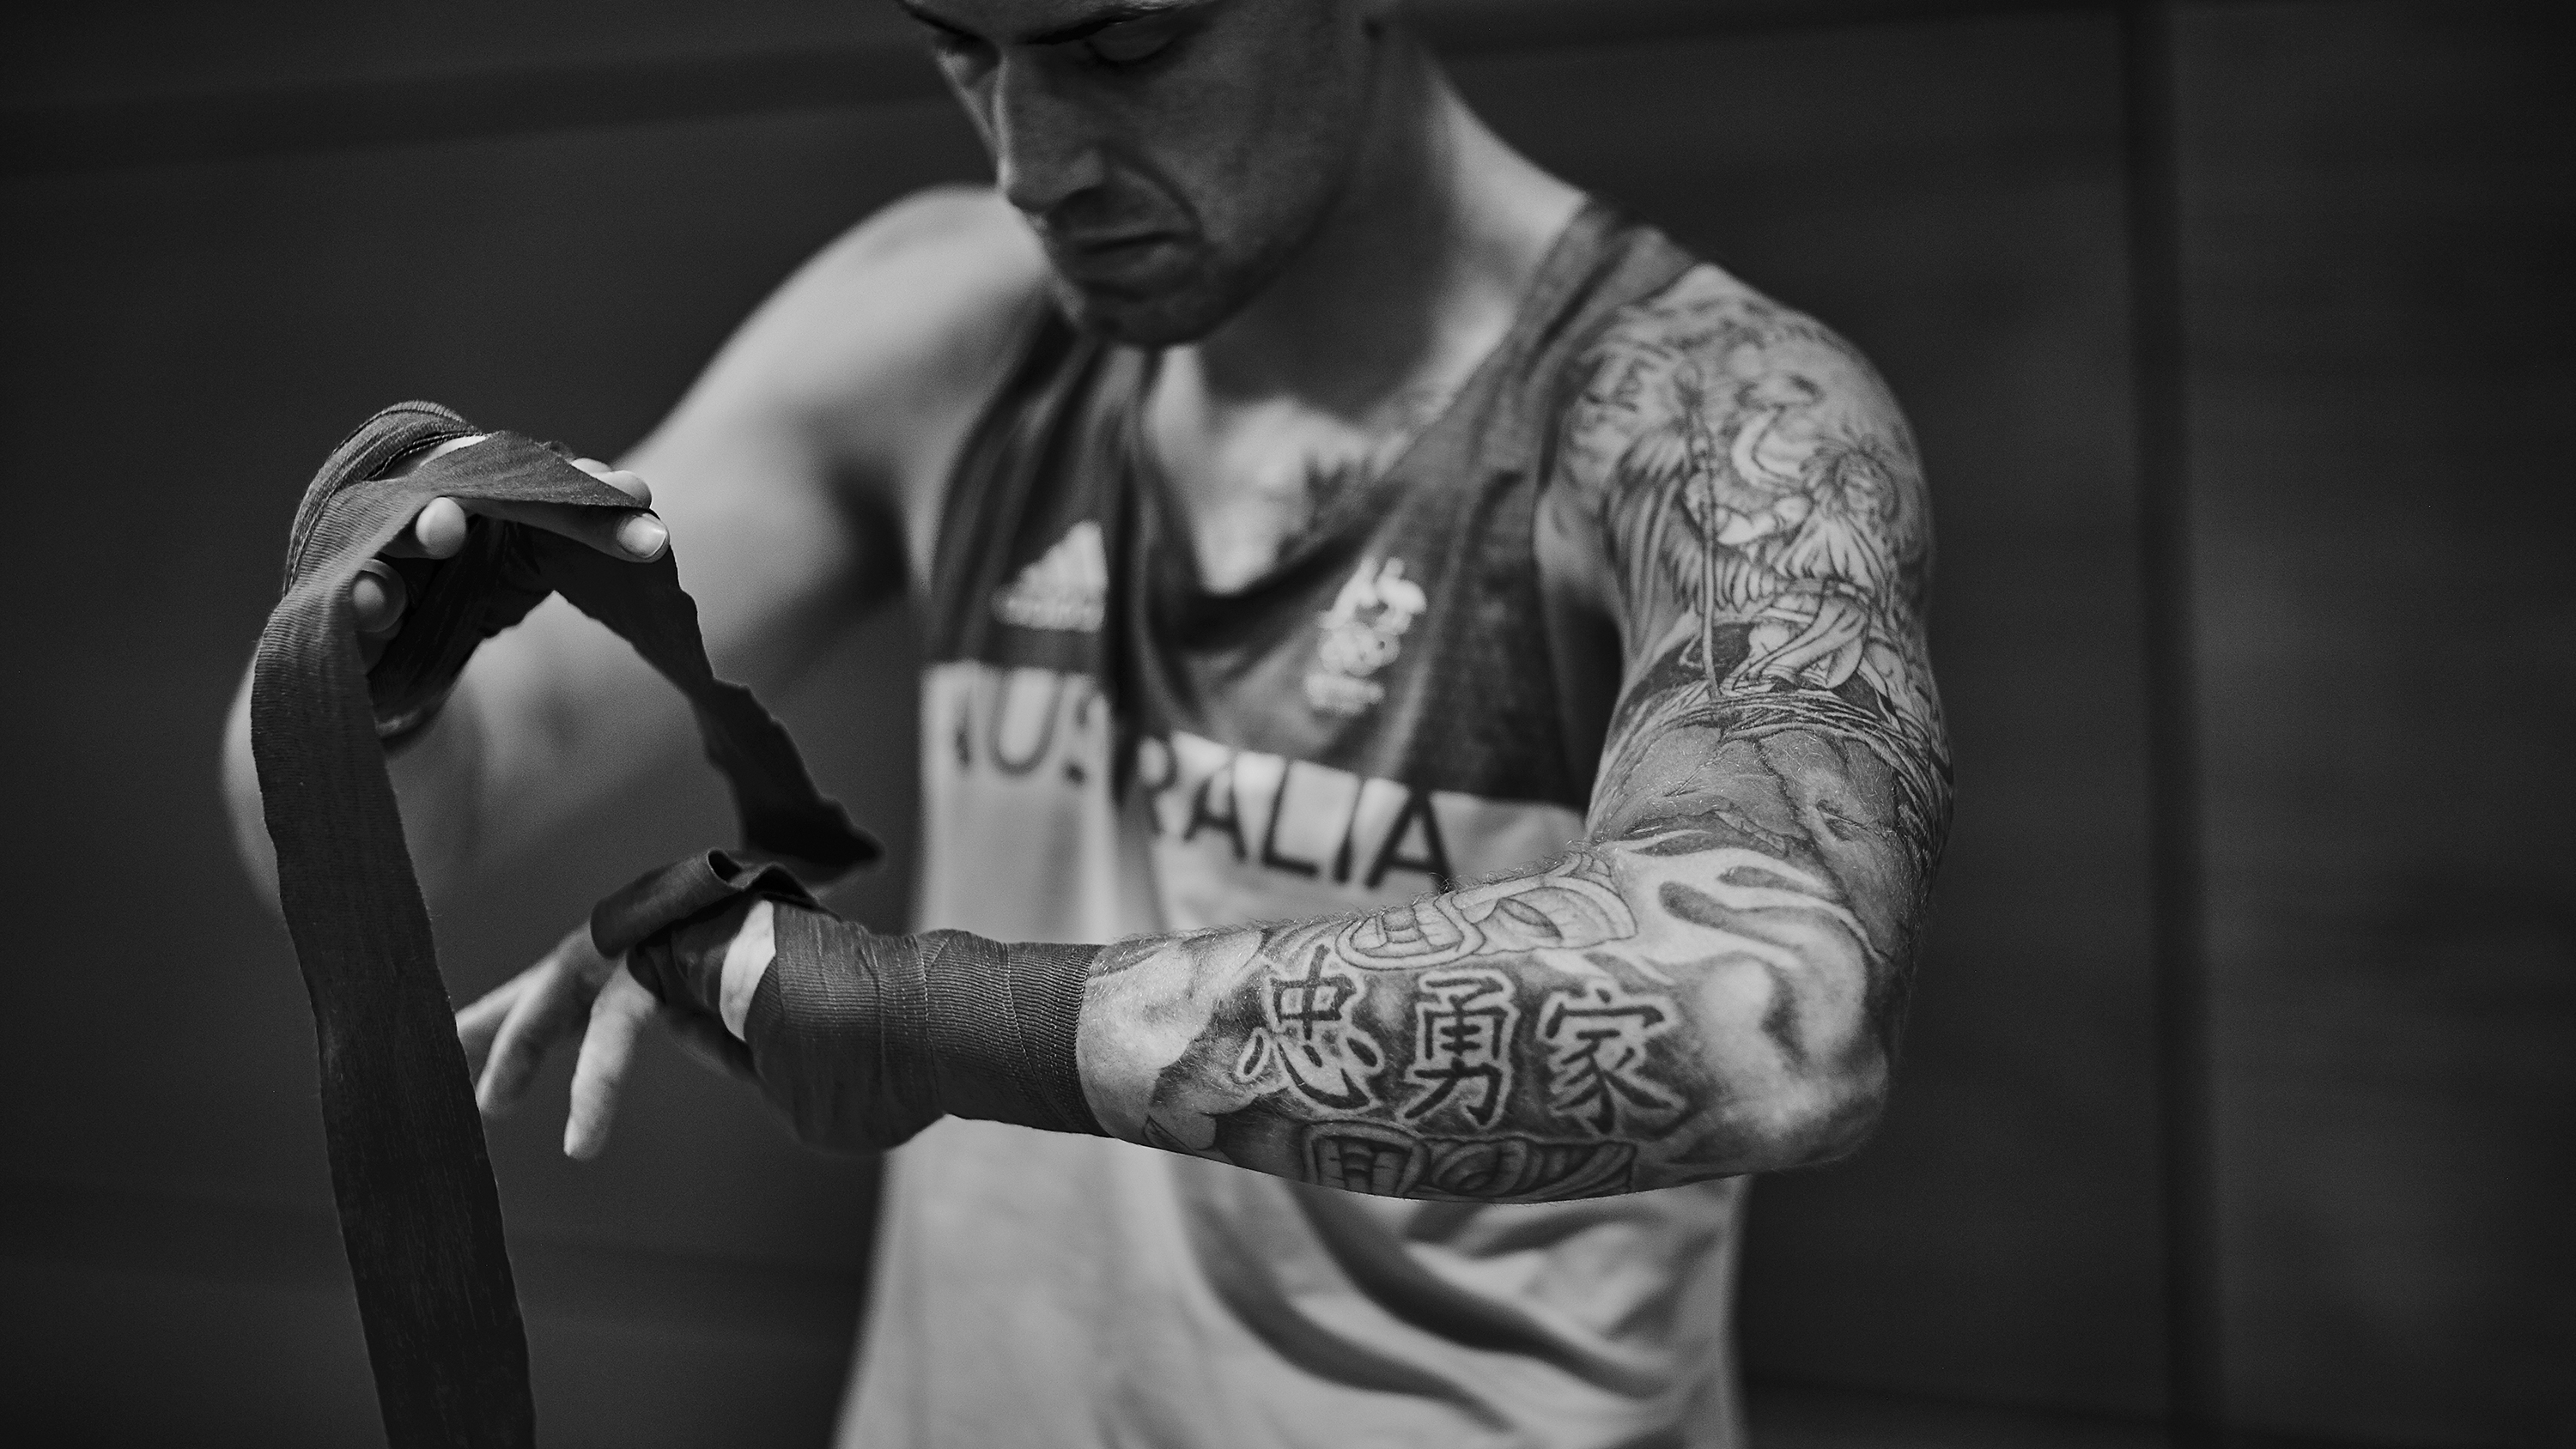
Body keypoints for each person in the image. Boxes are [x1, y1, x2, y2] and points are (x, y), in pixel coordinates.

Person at [222, 1, 1952, 1443]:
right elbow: (424, 811)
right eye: (963, 46)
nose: (1029, 161)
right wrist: (372, 687)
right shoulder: (951, 323)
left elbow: (1770, 1011)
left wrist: (924, 1017)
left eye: (1122, 44)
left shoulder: (1710, 420)